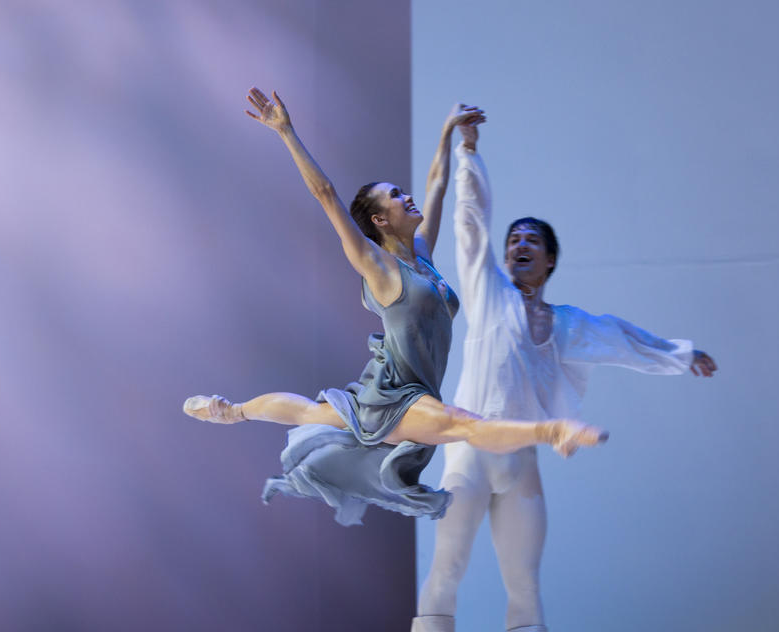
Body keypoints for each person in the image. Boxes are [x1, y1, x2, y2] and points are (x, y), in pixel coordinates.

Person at [410, 116, 717, 632]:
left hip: (520, 463)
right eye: (514, 238)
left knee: (523, 577)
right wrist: (468, 152)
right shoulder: (487, 288)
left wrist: (682, 356)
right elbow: (469, 223)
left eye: (531, 241)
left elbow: (625, 339)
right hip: (469, 454)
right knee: (447, 565)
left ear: (549, 261)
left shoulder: (568, 323)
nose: (517, 244)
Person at [183, 89, 608, 528]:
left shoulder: (420, 255)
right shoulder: (378, 266)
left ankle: (229, 411)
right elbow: (326, 194)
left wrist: (449, 133)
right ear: (381, 220)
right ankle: (553, 431)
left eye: (404, 192)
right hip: (400, 396)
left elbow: (437, 186)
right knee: (463, 425)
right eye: (396, 196)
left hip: (395, 383)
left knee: (313, 412)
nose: (408, 198)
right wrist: (286, 131)